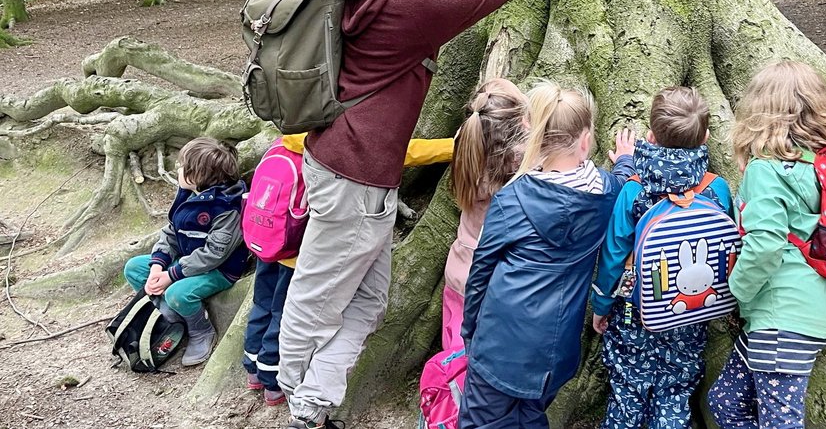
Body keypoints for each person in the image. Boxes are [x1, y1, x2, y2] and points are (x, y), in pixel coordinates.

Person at [277, 0, 593, 429]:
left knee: (368, 304)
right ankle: (295, 401)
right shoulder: (419, 1)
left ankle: (311, 405)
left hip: (349, 167)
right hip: (354, 178)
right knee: (318, 301)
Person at [459, 82, 635, 429]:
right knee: (531, 417)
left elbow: (481, 273)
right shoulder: (607, 195)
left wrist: (470, 334)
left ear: (532, 134)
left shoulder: (512, 200)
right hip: (555, 354)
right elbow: (622, 182)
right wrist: (626, 161)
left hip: (499, 348)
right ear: (586, 140)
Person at [243, 134, 454, 406]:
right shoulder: (337, 145)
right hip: (297, 253)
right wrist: (452, 146)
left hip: (267, 243)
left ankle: (252, 369)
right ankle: (273, 383)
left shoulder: (287, 138)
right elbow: (401, 152)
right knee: (282, 315)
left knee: (261, 306)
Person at [706, 61, 826, 429]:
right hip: (802, 311)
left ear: (757, 114)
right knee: (725, 402)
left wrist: (736, 292)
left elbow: (765, 243)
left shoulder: (764, 171)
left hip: (780, 319)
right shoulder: (820, 166)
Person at [590, 86, 731, 429]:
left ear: (650, 137)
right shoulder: (716, 189)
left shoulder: (634, 190)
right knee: (676, 392)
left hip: (635, 313)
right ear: (707, 138)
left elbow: (613, 255)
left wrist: (600, 305)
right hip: (691, 312)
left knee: (626, 390)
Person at [123, 138, 248, 367]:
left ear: (197, 175)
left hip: (218, 270)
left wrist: (171, 276)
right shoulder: (187, 194)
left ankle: (200, 330)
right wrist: (157, 267)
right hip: (185, 261)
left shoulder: (226, 208)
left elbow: (214, 254)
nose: (177, 169)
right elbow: (170, 232)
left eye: (182, 166)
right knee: (134, 268)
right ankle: (167, 317)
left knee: (177, 294)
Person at [442, 79, 528, 350]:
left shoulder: (466, 141)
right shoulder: (522, 163)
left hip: (458, 271)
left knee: (455, 357)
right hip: (494, 280)